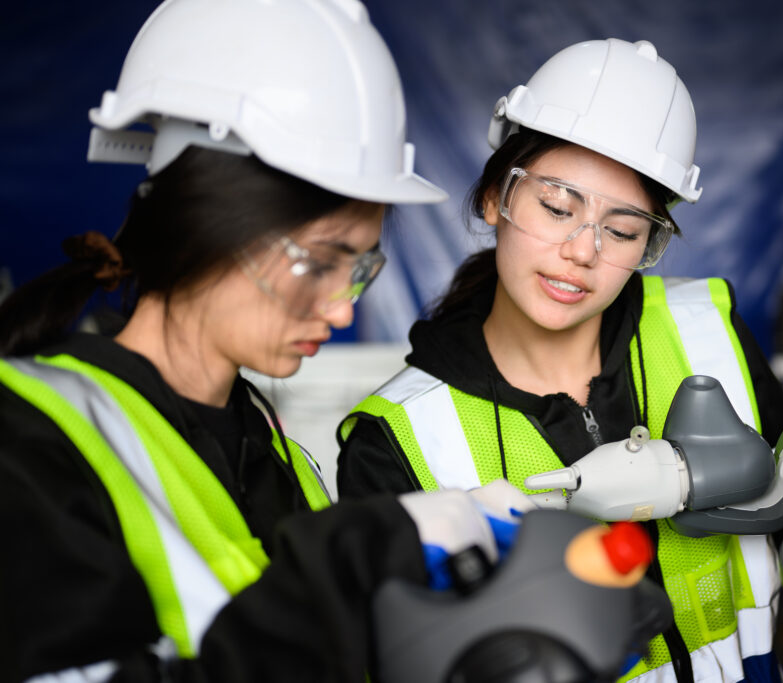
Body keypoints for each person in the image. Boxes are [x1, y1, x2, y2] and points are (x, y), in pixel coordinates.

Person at [0, 1, 545, 680]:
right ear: (210, 220)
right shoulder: (29, 442)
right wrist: (349, 561)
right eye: (317, 263)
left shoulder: (274, 452)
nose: (341, 312)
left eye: (359, 270)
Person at [337, 38, 783, 683]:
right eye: (557, 208)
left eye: (624, 229)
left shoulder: (707, 331)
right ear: (496, 197)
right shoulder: (398, 438)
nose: (583, 250)